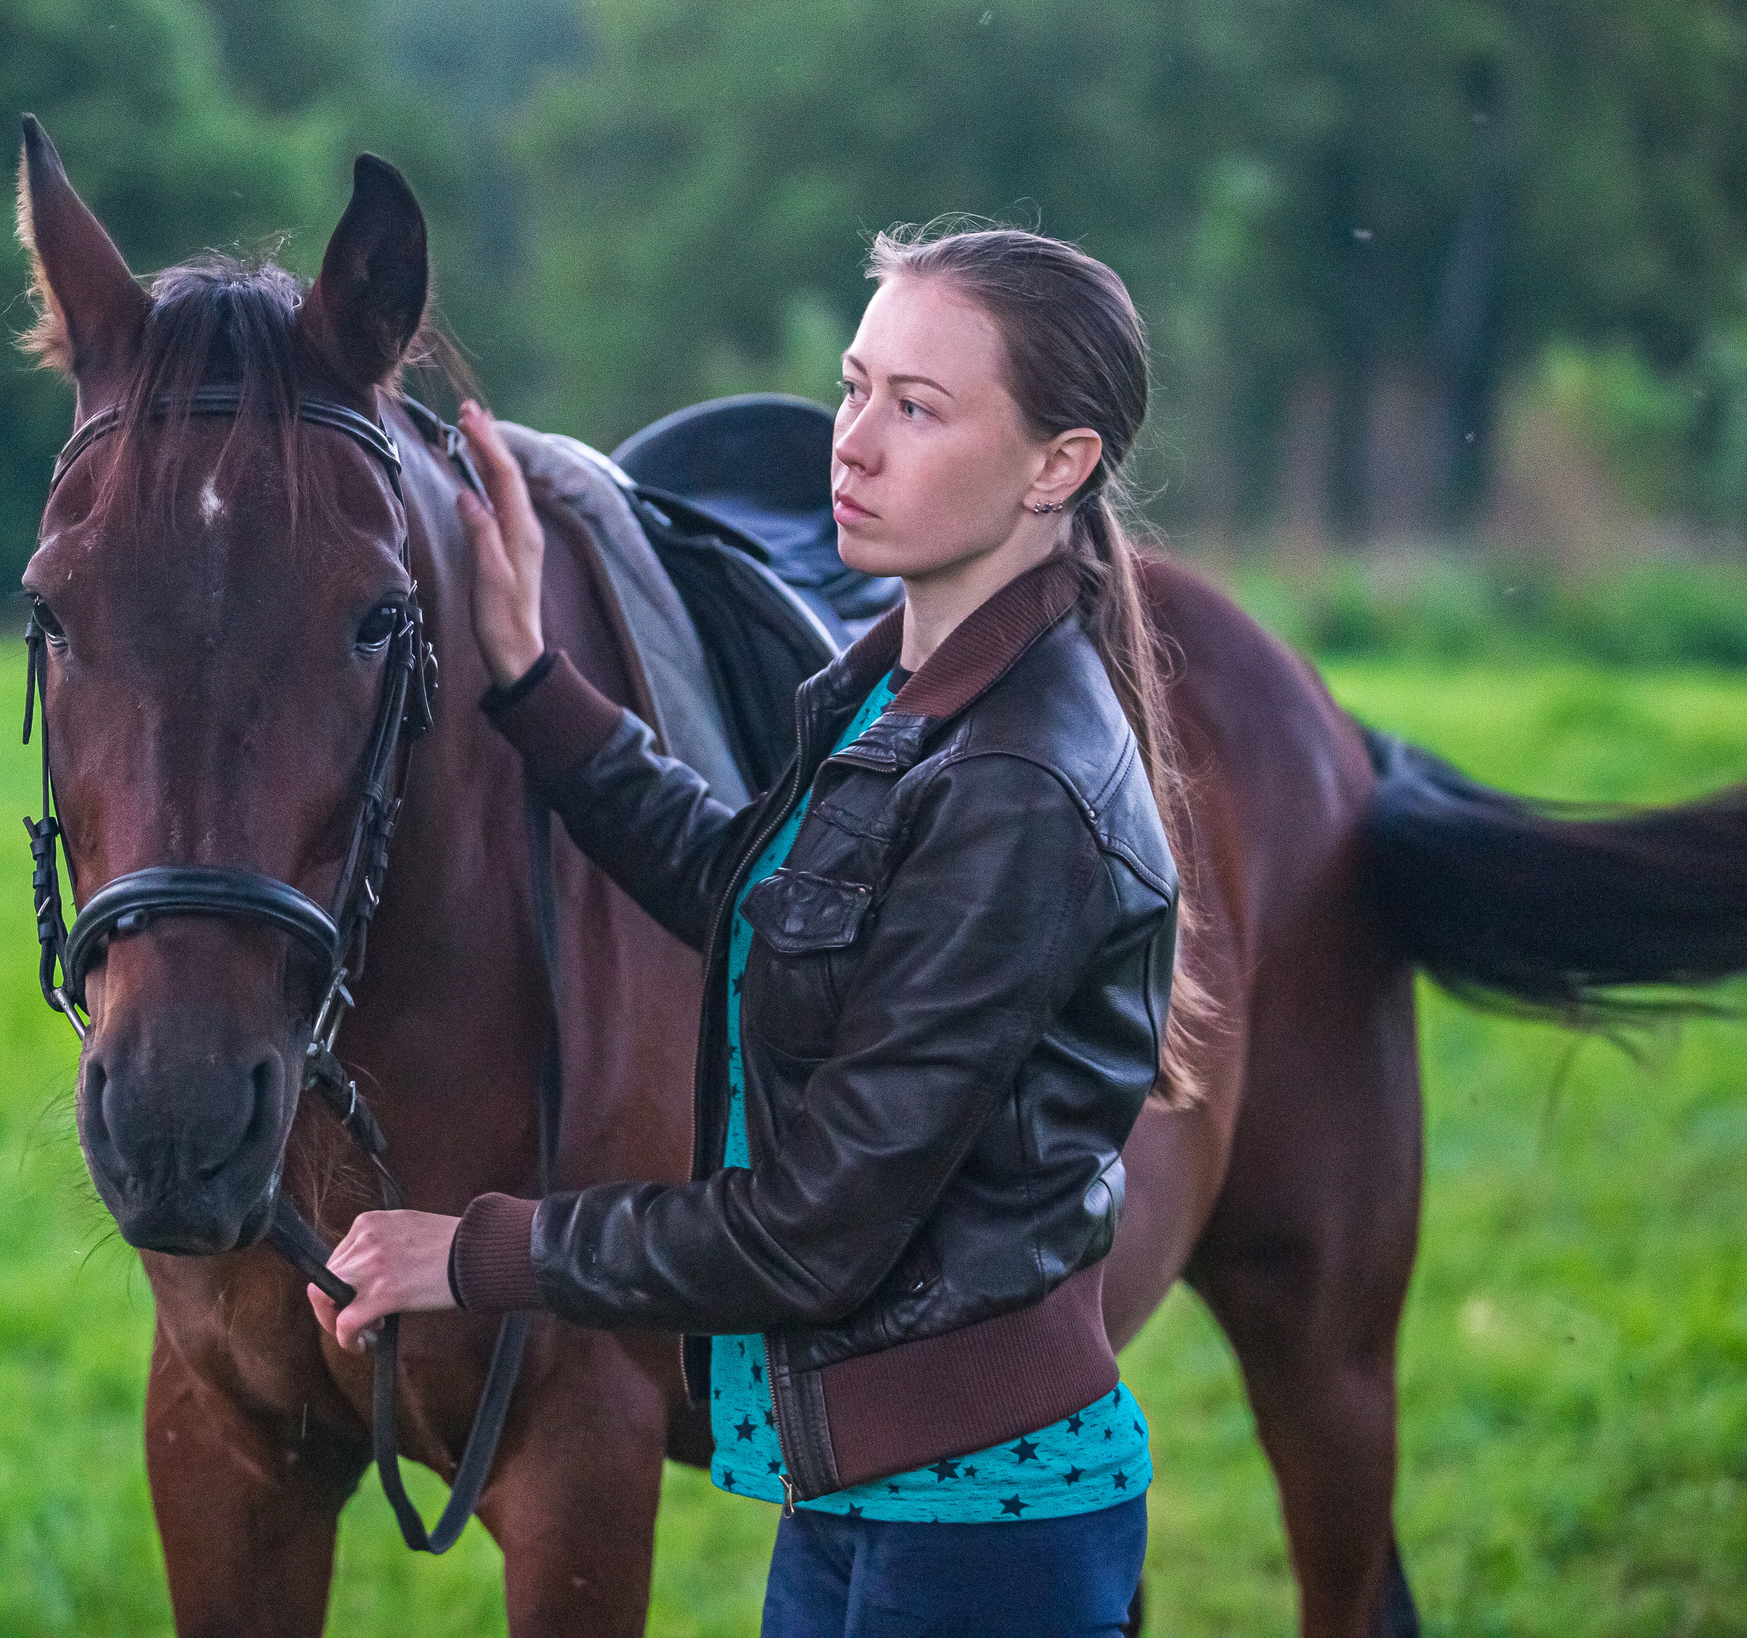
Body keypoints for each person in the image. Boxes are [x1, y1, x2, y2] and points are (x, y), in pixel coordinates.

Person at [311, 224, 1189, 1637]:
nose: (852, 443)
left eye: (919, 409)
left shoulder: (1019, 786)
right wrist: (533, 680)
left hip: (981, 1524)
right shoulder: (899, 693)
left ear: (1057, 466)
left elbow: (810, 1231)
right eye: (854, 387)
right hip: (861, 1498)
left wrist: (469, 1254)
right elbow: (757, 898)